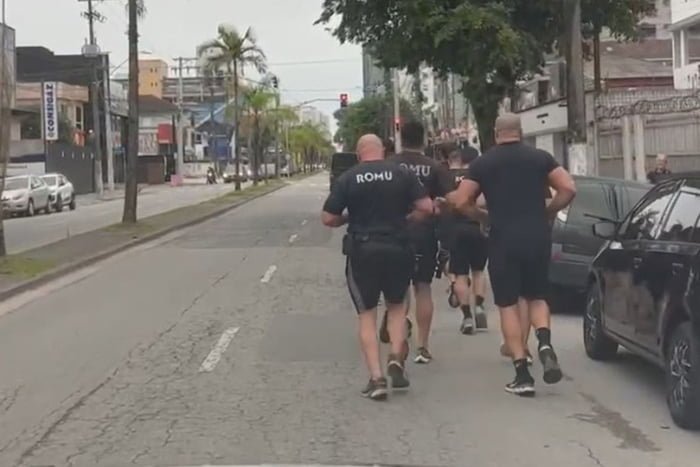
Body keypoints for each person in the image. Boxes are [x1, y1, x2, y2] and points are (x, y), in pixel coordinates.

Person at [445, 113, 576, 396]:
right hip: (537, 236)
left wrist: (482, 217)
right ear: (521, 132)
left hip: (503, 239)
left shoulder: (483, 163)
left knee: (507, 305)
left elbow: (460, 200)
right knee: (537, 296)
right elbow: (568, 187)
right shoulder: (540, 158)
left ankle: (522, 373)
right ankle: (544, 343)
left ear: (495, 134)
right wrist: (548, 212)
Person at [322, 133, 433, 401]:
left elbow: (328, 218)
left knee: (367, 315)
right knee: (396, 308)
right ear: (382, 150)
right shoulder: (402, 174)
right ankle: (396, 355)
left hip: (363, 250)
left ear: (359, 154)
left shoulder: (348, 178)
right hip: (399, 248)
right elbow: (426, 207)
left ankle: (376, 378)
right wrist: (406, 220)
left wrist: (349, 217)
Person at [383, 120, 451, 364]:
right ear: (423, 140)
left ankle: (398, 343)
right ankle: (422, 346)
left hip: (394, 234)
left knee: (397, 292)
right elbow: (447, 201)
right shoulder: (435, 167)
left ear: (401, 137)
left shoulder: (388, 165)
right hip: (425, 234)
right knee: (423, 288)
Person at [442, 146, 488, 335]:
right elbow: (483, 201)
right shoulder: (479, 175)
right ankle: (479, 306)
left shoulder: (448, 177)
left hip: (456, 229)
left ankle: (467, 316)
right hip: (478, 227)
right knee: (478, 271)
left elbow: (446, 199)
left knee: (460, 274)